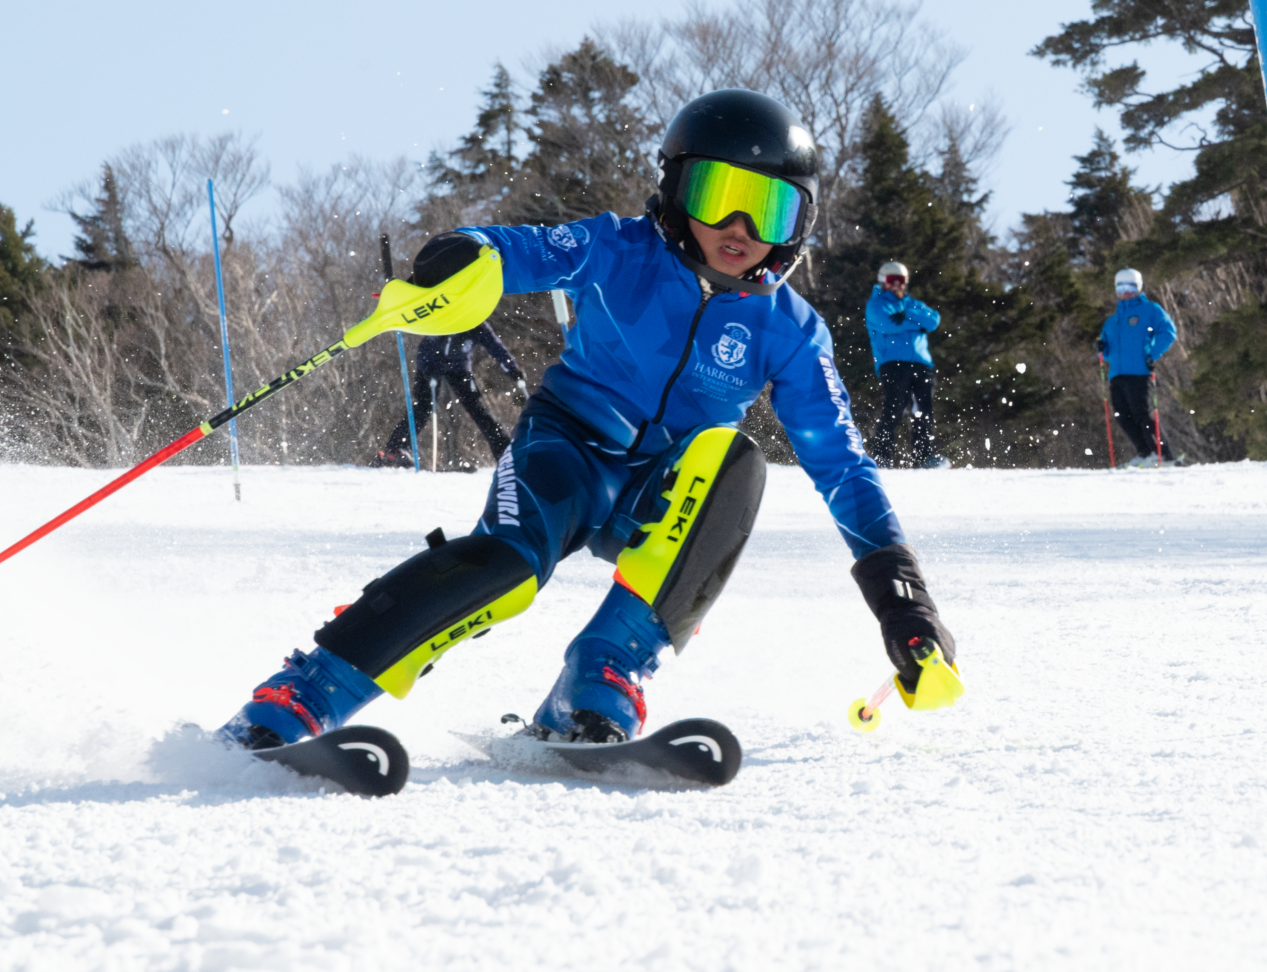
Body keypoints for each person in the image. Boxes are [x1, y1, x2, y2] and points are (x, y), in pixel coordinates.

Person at [218, 89, 964, 751]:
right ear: (677, 189)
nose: (739, 226)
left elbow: (843, 467)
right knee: (506, 565)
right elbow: (528, 250)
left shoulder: (790, 329)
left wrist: (904, 601)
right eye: (717, 194)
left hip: (660, 494)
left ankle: (602, 671)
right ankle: (308, 691)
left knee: (737, 464)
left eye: (768, 207)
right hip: (565, 451)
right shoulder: (621, 248)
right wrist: (470, 252)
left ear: (796, 222)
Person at [380, 321, 525, 467]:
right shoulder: (445, 315)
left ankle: (505, 452)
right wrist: (427, 366)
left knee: (478, 409)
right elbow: (428, 342)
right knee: (423, 406)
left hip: (459, 368)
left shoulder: (476, 323)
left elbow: (495, 346)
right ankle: (396, 447)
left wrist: (511, 368)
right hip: (430, 365)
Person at [864, 259, 945, 469]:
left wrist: (908, 315)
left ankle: (924, 456)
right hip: (892, 363)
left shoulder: (912, 304)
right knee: (895, 407)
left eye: (900, 280)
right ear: (883, 281)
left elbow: (933, 321)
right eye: (892, 280)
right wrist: (916, 325)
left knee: (923, 409)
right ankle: (882, 458)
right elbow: (887, 324)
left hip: (921, 363)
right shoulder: (876, 304)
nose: (896, 284)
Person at [1098, 267, 1178, 467]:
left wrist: (1153, 353)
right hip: (1116, 374)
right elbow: (1105, 352)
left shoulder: (1150, 310)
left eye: (1131, 286)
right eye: (1121, 287)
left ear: (1138, 287)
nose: (1126, 291)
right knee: (1122, 417)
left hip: (1138, 372)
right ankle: (1145, 454)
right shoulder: (1111, 321)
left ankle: (1163, 454)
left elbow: (1168, 331)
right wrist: (1101, 348)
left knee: (1141, 414)